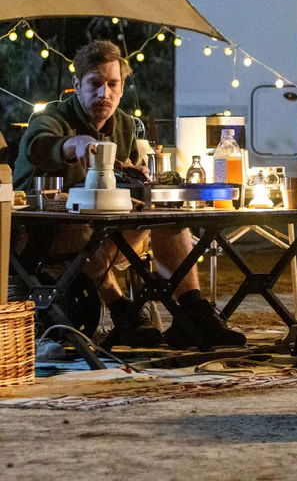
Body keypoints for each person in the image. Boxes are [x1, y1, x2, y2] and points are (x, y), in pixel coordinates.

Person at [13, 39, 245, 350]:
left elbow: (116, 182)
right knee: (90, 230)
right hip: (41, 232)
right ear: (77, 85)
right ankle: (125, 312)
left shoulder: (122, 124)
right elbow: (37, 145)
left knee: (166, 218)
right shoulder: (54, 116)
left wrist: (131, 176)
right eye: (95, 84)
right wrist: (74, 145)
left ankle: (191, 311)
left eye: (112, 84)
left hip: (102, 227)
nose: (104, 93)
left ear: (122, 88)